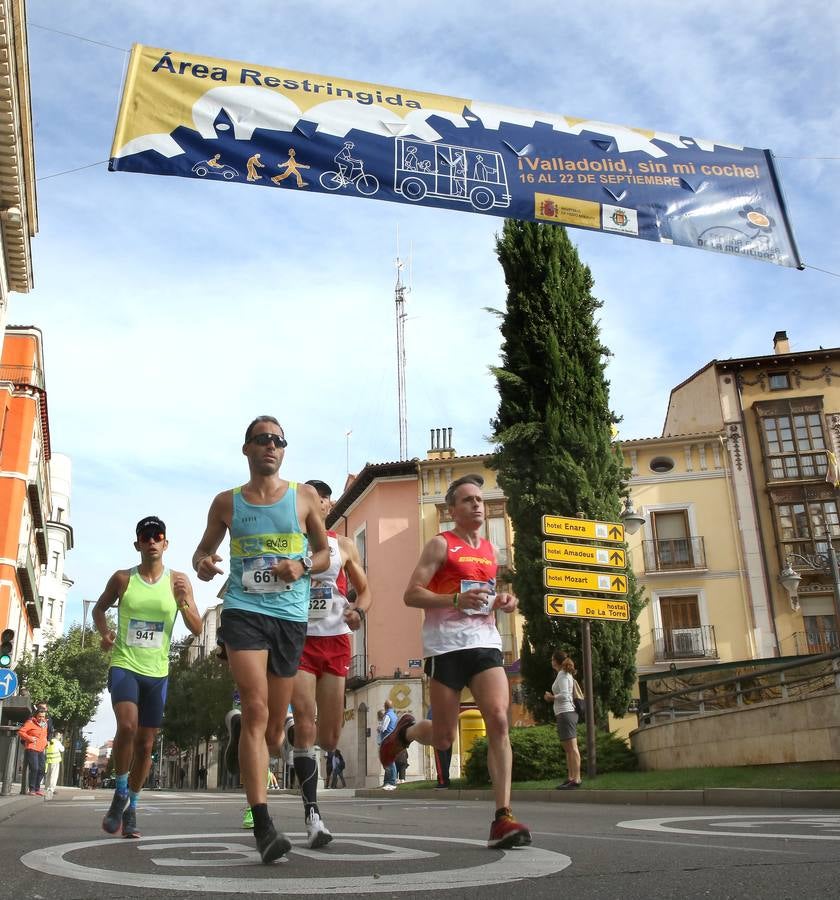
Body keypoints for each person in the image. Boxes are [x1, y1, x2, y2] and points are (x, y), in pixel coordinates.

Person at [193, 416, 329, 864]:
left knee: (274, 732)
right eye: (262, 440)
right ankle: (265, 825)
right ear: (247, 448)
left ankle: (243, 738)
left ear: (283, 450)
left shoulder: (305, 498)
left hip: (289, 617)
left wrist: (303, 565)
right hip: (244, 610)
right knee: (255, 708)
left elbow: (325, 552)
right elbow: (201, 554)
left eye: (278, 440)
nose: (271, 446)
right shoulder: (226, 503)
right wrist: (206, 563)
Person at [379, 473, 531, 849]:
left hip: (484, 643)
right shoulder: (439, 545)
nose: (476, 504)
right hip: (445, 647)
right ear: (452, 510)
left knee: (498, 719)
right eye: (467, 500)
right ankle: (406, 732)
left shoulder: (491, 552)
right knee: (445, 736)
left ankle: (503, 816)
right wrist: (453, 601)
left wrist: (503, 602)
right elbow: (411, 595)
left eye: (479, 499)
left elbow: (486, 596)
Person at [93, 515, 201, 838]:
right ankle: (121, 791)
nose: (152, 540)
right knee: (126, 726)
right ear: (137, 544)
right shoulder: (123, 579)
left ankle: (133, 808)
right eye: (146, 535)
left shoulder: (178, 581)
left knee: (146, 745)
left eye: (158, 535)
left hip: (158, 672)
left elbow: (196, 627)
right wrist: (105, 633)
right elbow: (100, 610)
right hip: (125, 664)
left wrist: (184, 601)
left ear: (166, 543)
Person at [290, 477, 371, 846]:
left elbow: (366, 590)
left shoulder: (344, 546)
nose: (311, 503)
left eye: (317, 498)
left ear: (326, 504)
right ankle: (313, 815)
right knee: (308, 726)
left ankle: (296, 737)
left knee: (331, 736)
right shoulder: (292, 543)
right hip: (301, 642)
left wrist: (358, 611)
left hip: (337, 639)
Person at [544, 650, 581, 789]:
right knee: (568, 749)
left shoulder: (563, 675)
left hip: (567, 713)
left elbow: (565, 695)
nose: (551, 661)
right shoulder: (563, 674)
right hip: (563, 713)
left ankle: (576, 779)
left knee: (572, 748)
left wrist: (551, 697)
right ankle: (571, 777)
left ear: (556, 661)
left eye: (552, 659)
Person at [17, 707, 49, 795]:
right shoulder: (30, 722)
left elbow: (45, 734)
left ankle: (37, 788)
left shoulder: (45, 723)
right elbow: (21, 732)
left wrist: (46, 742)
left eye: (43, 716)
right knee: (34, 768)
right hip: (32, 748)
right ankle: (32, 789)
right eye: (40, 716)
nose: (41, 718)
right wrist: (29, 738)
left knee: (42, 769)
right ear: (36, 715)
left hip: (41, 749)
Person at [378, 703, 398, 790]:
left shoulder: (388, 715)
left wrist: (378, 728)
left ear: (385, 706)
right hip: (392, 740)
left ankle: (392, 781)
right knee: (388, 761)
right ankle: (387, 781)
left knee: (389, 762)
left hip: (387, 740)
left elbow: (383, 728)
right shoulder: (394, 715)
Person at [44, 731, 65, 800]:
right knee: (54, 775)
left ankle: (46, 787)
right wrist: (61, 742)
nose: (60, 737)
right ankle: (51, 789)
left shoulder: (49, 741)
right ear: (57, 736)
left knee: (48, 775)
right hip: (55, 761)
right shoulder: (57, 742)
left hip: (48, 760)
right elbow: (62, 749)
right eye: (59, 736)